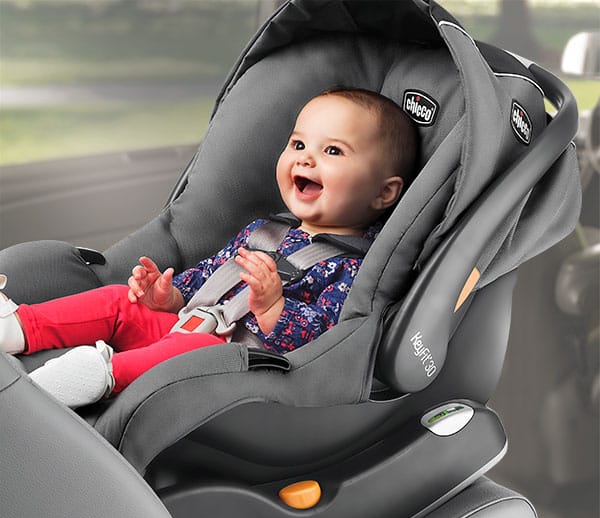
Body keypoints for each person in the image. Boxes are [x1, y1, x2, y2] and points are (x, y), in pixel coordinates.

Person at [0, 88, 418, 407]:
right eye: (297, 145)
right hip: (188, 321)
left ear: (384, 193)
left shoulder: (352, 268)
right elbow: (211, 273)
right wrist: (169, 295)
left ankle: (98, 375)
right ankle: (20, 327)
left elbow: (327, 339)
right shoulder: (265, 230)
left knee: (192, 348)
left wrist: (274, 308)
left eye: (332, 151)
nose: (305, 159)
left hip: (237, 361)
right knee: (117, 301)